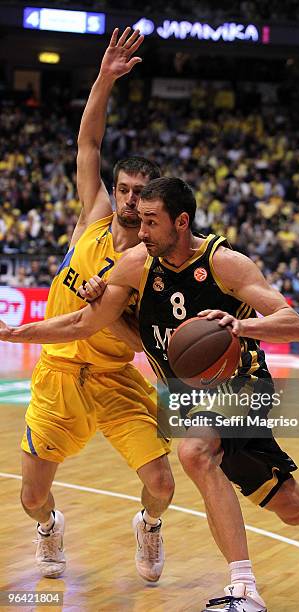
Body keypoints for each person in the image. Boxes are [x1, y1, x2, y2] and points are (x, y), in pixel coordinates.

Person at [1, 178, 299, 612]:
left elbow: (295, 324)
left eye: (151, 223)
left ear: (181, 221)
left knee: (195, 452)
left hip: (243, 384)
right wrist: (12, 332)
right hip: (189, 397)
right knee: (292, 505)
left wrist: (242, 326)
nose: (141, 232)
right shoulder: (136, 264)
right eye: (141, 222)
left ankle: (244, 589)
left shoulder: (225, 263)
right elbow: (82, 323)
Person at [7, 28, 174, 582]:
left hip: (114, 378)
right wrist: (104, 78)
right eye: (123, 188)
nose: (127, 199)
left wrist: (112, 313)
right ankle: (49, 527)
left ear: (156, 203)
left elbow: (141, 345)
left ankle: (148, 527)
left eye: (138, 194)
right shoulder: (93, 218)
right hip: (57, 375)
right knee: (33, 495)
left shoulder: (156, 267)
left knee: (163, 484)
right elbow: (88, 145)